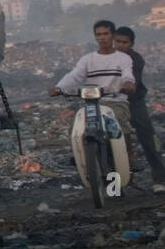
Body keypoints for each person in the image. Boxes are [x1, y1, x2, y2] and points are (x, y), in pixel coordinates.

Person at [49, 22, 139, 168]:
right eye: (98, 34)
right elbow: (74, 76)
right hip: (92, 102)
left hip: (115, 101)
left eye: (106, 34)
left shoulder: (123, 58)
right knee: (76, 126)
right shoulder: (87, 59)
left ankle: (129, 156)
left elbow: (127, 74)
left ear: (113, 36)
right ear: (95, 37)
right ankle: (81, 158)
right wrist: (59, 88)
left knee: (119, 123)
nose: (102, 38)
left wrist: (128, 83)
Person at [113, 26, 165, 191]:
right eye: (118, 41)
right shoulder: (106, 57)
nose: (121, 45)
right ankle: (116, 184)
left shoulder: (135, 59)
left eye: (124, 42)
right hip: (112, 102)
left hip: (134, 102)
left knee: (147, 136)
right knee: (111, 142)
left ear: (131, 44)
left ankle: (160, 179)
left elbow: (132, 82)